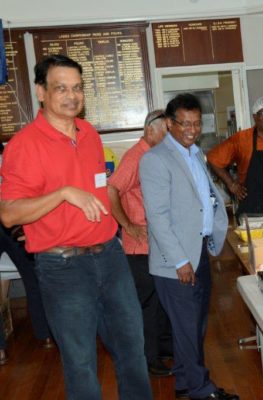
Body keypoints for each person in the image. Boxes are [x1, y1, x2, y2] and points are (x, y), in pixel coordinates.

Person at [0, 54, 152, 399]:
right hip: (63, 267)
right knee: (81, 361)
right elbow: (8, 214)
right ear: (41, 92)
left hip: (110, 258)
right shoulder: (23, 145)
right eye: (61, 88)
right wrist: (64, 194)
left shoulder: (89, 135)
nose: (72, 96)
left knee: (132, 349)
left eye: (78, 88)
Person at [140, 94, 238, 400]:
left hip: (198, 254)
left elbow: (201, 200)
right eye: (184, 124)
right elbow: (157, 217)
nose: (191, 130)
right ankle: (200, 389)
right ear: (169, 124)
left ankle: (184, 384)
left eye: (196, 123)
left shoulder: (195, 154)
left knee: (193, 328)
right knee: (186, 329)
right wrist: (180, 260)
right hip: (177, 263)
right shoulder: (155, 160)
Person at [107, 109, 173, 377]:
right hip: (139, 247)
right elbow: (112, 189)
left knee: (159, 300)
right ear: (150, 131)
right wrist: (127, 225)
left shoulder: (155, 155)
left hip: (155, 243)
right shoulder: (137, 156)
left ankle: (163, 348)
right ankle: (148, 358)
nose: (170, 137)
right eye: (166, 131)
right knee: (146, 303)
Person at [0, 142, 54, 351]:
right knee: (33, 279)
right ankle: (45, 334)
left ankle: (1, 350)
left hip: (10, 222)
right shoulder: (12, 160)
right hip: (14, 226)